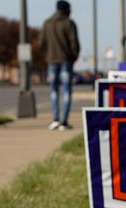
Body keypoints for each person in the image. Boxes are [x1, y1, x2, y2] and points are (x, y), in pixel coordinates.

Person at [40, 1, 80, 131]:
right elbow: (74, 43)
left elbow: (42, 44)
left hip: (52, 61)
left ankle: (55, 119)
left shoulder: (47, 24)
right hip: (65, 61)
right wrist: (73, 57)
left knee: (54, 90)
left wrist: (47, 57)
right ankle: (64, 121)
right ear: (66, 9)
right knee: (67, 91)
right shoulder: (69, 23)